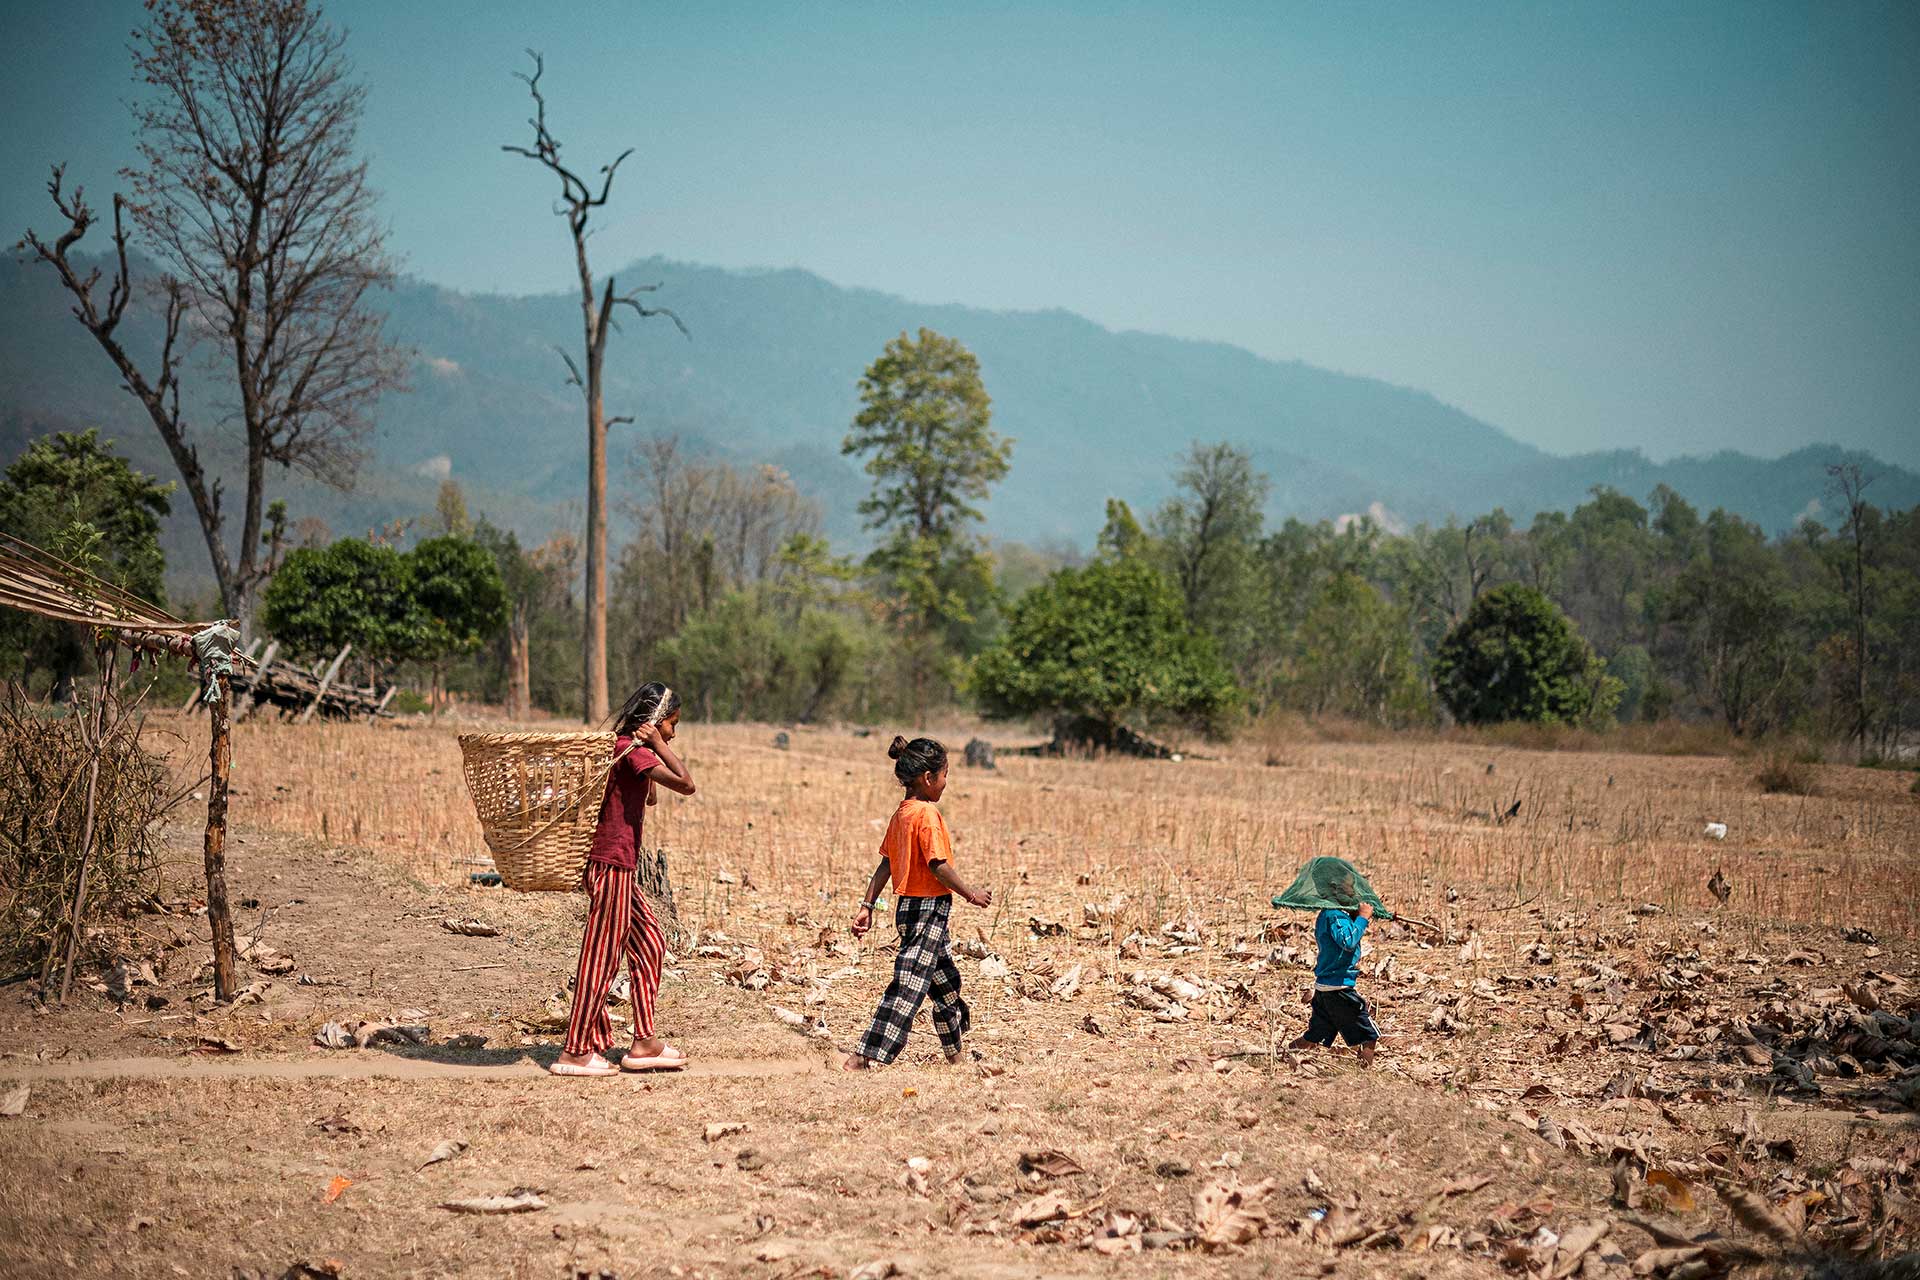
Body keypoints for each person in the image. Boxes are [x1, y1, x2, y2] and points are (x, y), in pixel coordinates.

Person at [550, 682, 696, 1078]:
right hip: (610, 864)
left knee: (650, 942)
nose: (673, 733)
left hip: (621, 867)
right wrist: (657, 746)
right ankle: (576, 1050)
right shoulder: (629, 750)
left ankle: (644, 1041)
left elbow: (647, 797)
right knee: (601, 956)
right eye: (671, 724)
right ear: (653, 722)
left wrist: (650, 753)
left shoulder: (629, 752)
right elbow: (686, 783)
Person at [842, 736, 993, 1071]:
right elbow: (937, 865)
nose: (945, 783)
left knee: (946, 984)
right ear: (927, 778)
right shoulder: (926, 814)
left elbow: (885, 865)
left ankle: (955, 1056)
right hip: (927, 909)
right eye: (944, 775)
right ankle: (863, 1056)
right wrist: (971, 894)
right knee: (908, 985)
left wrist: (867, 906)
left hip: (911, 911)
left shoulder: (902, 813)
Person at [1287, 885, 1380, 1067]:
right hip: (1339, 989)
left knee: (1313, 1036)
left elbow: (1344, 936)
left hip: (1325, 988)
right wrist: (1362, 918)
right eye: (1350, 891)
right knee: (1369, 1035)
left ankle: (1286, 1055)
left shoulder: (1330, 915)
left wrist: (1358, 916)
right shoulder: (1334, 916)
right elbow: (1348, 941)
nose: (1353, 895)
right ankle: (1364, 1077)